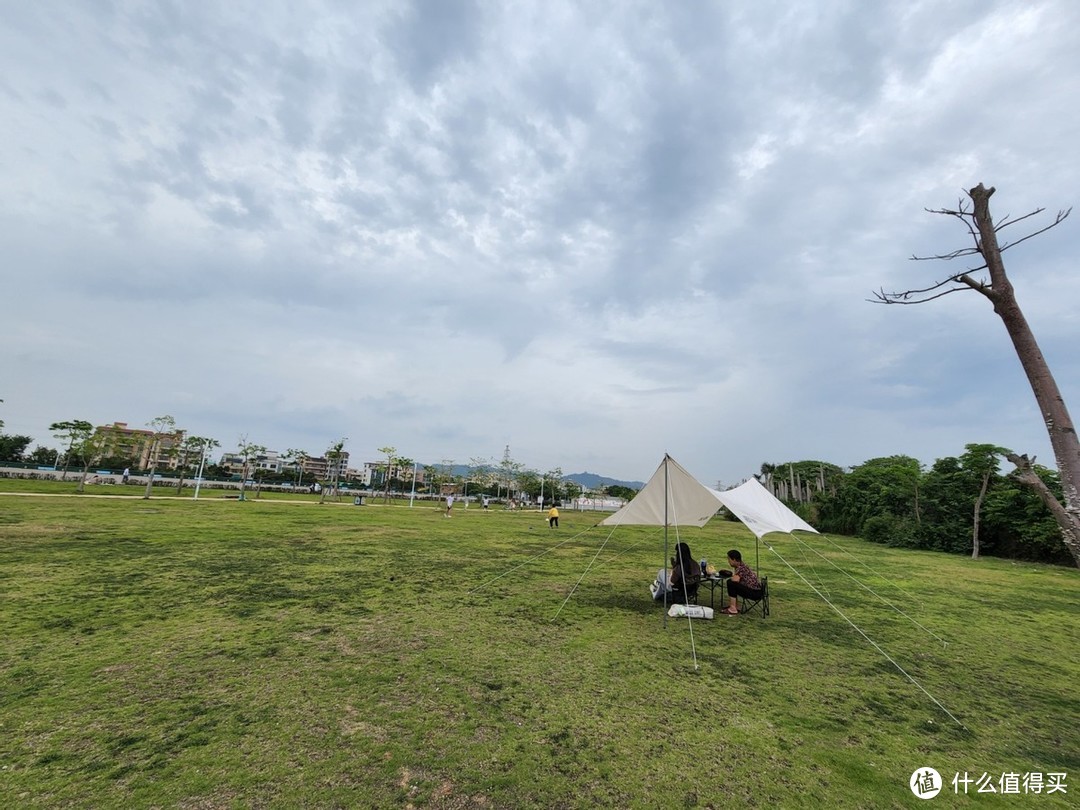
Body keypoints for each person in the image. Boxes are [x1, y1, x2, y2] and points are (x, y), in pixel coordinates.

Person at [721, 549, 762, 615]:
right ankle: (736, 606)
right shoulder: (741, 566)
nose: (728, 561)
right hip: (756, 591)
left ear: (734, 559)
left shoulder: (741, 568)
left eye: (729, 559)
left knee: (731, 583)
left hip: (755, 593)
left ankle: (733, 608)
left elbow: (735, 580)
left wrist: (730, 576)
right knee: (732, 584)